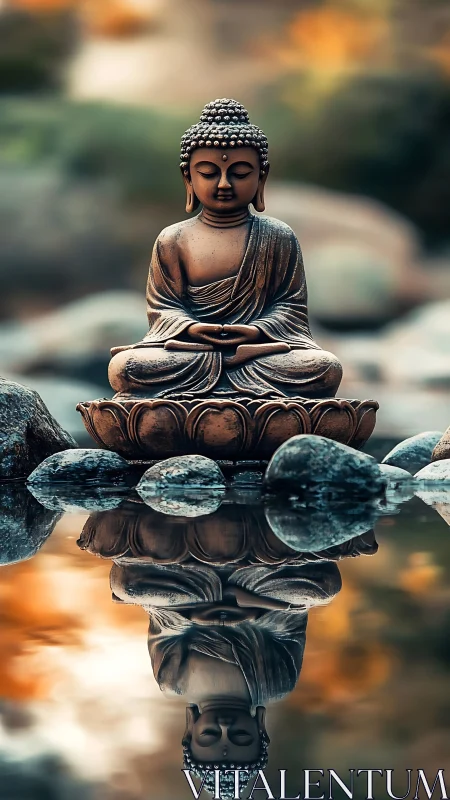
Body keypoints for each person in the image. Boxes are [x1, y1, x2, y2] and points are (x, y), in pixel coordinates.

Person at [108, 98, 342, 399]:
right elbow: (163, 308)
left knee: (324, 367)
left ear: (262, 177)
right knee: (127, 367)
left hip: (257, 355)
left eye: (240, 173)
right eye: (208, 173)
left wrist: (256, 331)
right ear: (188, 177)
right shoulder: (173, 239)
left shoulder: (278, 237)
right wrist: (191, 329)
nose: (223, 183)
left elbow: (290, 308)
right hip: (192, 354)